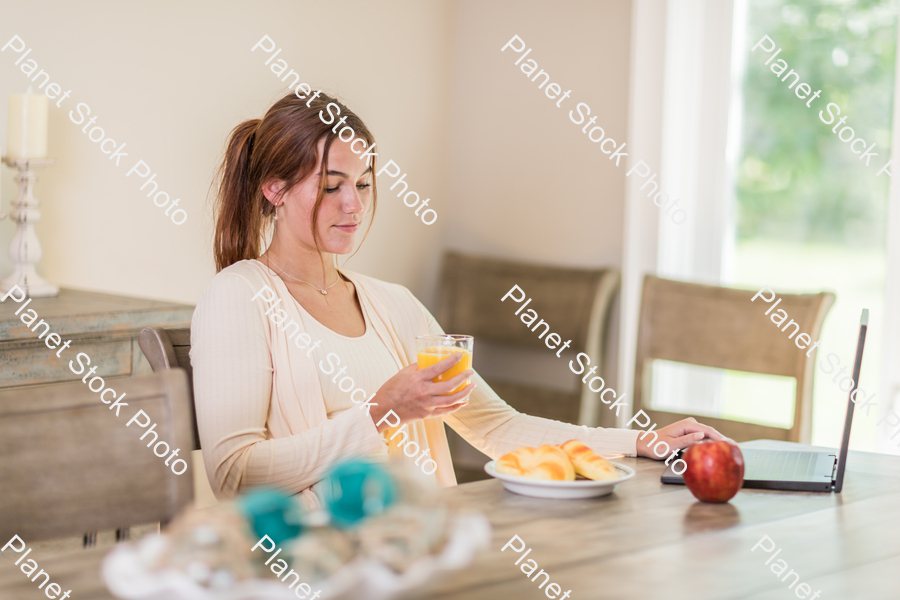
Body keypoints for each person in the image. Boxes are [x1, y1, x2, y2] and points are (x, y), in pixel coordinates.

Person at [191, 91, 724, 505]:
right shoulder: (238, 297)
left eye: (365, 183)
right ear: (275, 190)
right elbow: (234, 475)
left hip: (424, 550)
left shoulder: (391, 304)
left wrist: (640, 442)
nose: (353, 204)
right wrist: (382, 412)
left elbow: (496, 425)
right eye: (331, 185)